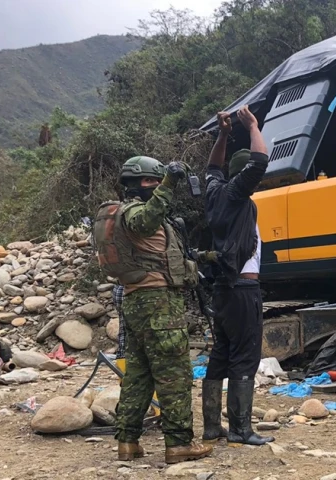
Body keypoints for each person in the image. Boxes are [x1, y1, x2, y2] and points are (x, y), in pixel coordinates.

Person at [101, 156, 211, 463]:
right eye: (153, 181)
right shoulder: (136, 212)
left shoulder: (130, 214)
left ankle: (128, 441)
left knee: (139, 374)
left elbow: (165, 253)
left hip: (138, 302)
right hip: (157, 303)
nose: (156, 186)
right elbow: (145, 221)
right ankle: (179, 443)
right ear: (138, 183)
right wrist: (170, 183)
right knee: (173, 372)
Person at [200, 105, 272, 447]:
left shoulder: (215, 191)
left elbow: (212, 166)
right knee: (245, 356)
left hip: (223, 288)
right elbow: (259, 161)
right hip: (243, 288)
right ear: (245, 178)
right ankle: (242, 429)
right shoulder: (236, 194)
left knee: (221, 355)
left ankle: (213, 427)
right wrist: (253, 126)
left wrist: (224, 135)